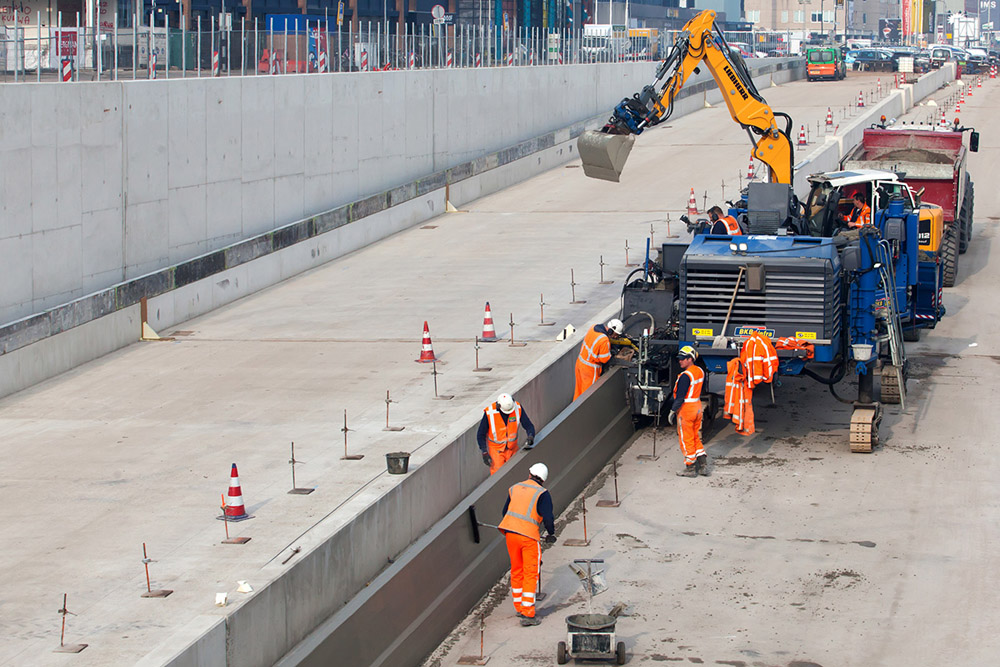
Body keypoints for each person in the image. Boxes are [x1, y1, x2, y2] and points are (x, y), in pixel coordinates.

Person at [498, 462, 556, 626]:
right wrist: (551, 533)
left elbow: (505, 512)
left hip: (510, 534)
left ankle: (518, 606)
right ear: (543, 480)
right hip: (528, 537)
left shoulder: (515, 488)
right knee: (531, 572)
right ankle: (528, 613)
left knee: (517, 569)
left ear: (529, 473)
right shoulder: (542, 494)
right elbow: (548, 518)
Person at [668, 345, 709, 477]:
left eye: (683, 359)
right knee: (695, 436)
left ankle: (690, 467)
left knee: (686, 439)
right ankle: (703, 464)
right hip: (697, 407)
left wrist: (673, 410)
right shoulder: (700, 371)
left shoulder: (685, 376)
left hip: (686, 410)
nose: (680, 361)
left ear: (690, 359)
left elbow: (680, 397)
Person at [478, 393, 536, 475]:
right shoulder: (490, 413)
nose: (508, 414)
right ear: (498, 406)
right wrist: (484, 452)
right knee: (498, 477)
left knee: (516, 474)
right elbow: (481, 435)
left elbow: (528, 425)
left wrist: (530, 436)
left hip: (512, 449)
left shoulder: (517, 408)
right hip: (496, 452)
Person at [574, 319, 623, 400]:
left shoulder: (593, 328)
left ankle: (576, 412)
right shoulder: (604, 340)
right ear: (611, 331)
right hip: (590, 370)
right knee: (589, 396)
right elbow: (604, 359)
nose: (615, 337)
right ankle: (588, 412)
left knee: (579, 393)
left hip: (580, 363)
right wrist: (612, 352)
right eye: (615, 334)